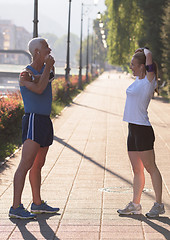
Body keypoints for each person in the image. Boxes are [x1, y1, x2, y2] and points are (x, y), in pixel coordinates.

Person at [9, 37, 59, 219]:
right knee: (26, 164)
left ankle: (37, 204)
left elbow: (43, 82)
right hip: (33, 120)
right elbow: (38, 89)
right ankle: (15, 207)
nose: (50, 49)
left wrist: (45, 71)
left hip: (45, 121)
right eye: (46, 47)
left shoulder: (48, 69)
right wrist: (44, 72)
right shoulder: (25, 73)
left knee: (38, 164)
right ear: (37, 51)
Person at [117, 47, 165, 218]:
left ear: (143, 66)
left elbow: (150, 55)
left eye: (133, 64)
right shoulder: (137, 81)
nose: (131, 67)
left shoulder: (149, 81)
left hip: (143, 130)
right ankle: (135, 205)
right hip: (132, 128)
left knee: (151, 168)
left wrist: (144, 50)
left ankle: (159, 204)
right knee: (137, 170)